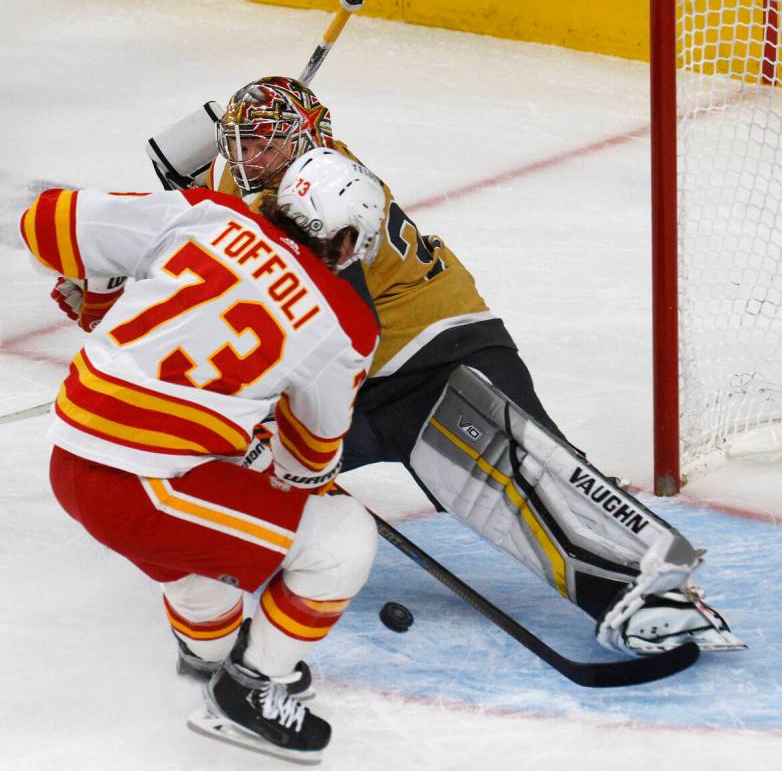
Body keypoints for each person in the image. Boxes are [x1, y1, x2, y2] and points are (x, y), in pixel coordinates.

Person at [68, 76, 743, 662]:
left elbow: (323, 325)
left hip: (437, 349)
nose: (253, 156)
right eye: (243, 142)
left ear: (311, 146)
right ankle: (244, 567)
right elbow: (181, 168)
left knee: (524, 472)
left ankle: (652, 594)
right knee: (234, 461)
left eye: (269, 144)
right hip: (359, 384)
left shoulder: (328, 206)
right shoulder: (240, 177)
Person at [20, 149, 386, 763]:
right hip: (145, 487)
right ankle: (248, 692)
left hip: (73, 464)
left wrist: (101, 289)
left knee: (197, 541)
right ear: (346, 239)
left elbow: (50, 224)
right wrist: (264, 449)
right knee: (344, 540)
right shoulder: (344, 321)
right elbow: (308, 460)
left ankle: (208, 660)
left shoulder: (208, 215)